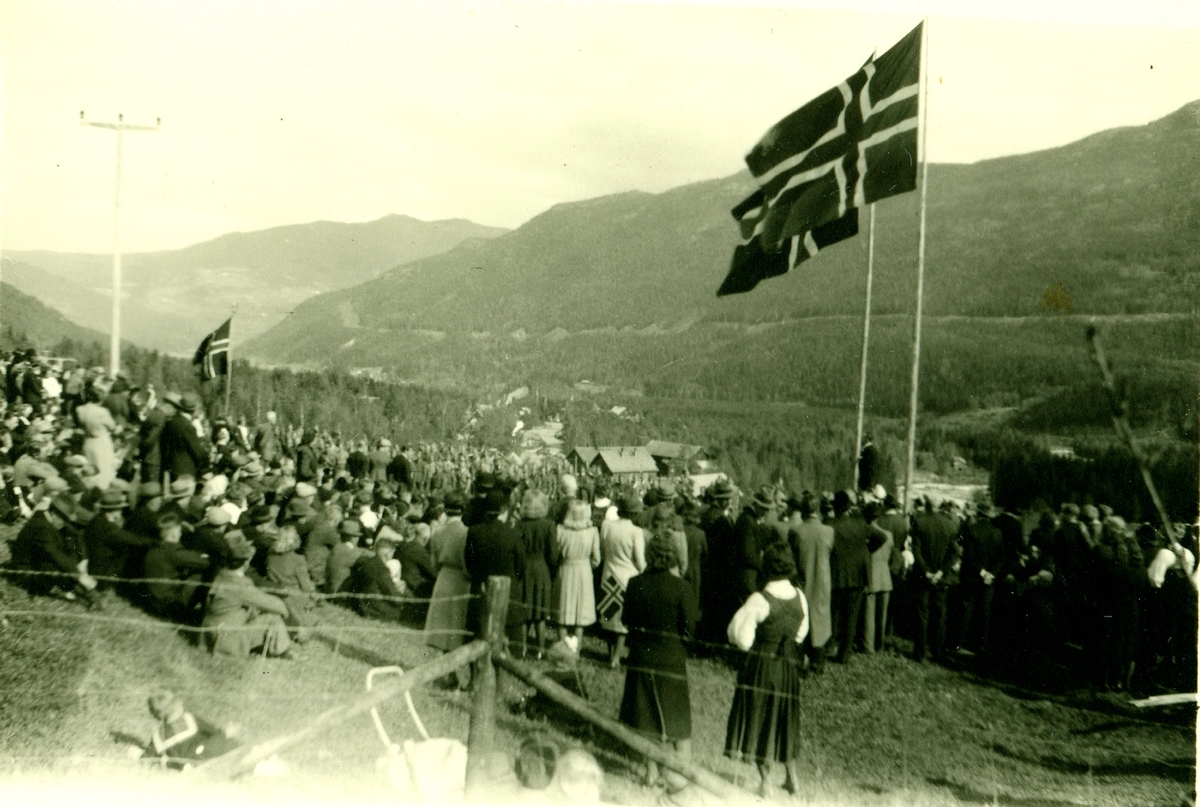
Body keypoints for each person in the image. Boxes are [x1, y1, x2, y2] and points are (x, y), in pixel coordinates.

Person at [724, 543, 809, 797]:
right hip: (788, 667)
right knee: (784, 718)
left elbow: (742, 638)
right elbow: (801, 633)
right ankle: (792, 778)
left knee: (761, 720)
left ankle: (766, 784)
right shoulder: (799, 596)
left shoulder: (759, 599)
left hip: (762, 665)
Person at [619, 531, 699, 788]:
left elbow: (626, 621)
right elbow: (689, 630)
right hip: (671, 659)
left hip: (642, 656)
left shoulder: (634, 583)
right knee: (677, 719)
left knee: (644, 717)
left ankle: (651, 770)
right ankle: (680, 775)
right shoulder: (683, 588)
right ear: (675, 557)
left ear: (649, 555)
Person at [202, 530, 294, 658]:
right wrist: (285, 612)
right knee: (272, 618)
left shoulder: (220, 574)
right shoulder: (241, 584)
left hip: (209, 636)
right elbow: (276, 605)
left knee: (251, 610)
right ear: (246, 562)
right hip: (226, 641)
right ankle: (285, 652)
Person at [828, 490, 886, 663]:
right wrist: (867, 551)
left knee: (834, 614)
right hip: (858, 576)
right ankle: (844, 654)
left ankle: (830, 646)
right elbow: (881, 537)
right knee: (851, 617)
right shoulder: (860, 524)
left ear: (836, 508)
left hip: (836, 574)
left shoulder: (830, 524)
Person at [464, 488, 526, 644]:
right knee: (509, 639)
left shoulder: (474, 532)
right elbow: (521, 567)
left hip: (481, 588)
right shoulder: (513, 534)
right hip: (508, 590)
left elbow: (469, 564)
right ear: (503, 510)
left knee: (478, 638)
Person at [425, 492, 472, 687]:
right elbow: (467, 563)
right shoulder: (466, 532)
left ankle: (446, 673)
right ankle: (450, 674)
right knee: (455, 628)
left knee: (443, 628)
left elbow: (433, 562)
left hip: (443, 577)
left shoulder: (437, 532)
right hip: (460, 579)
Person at [598, 492, 647, 668]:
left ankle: (610, 654)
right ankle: (616, 658)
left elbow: (603, 553)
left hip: (609, 576)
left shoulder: (606, 526)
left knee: (609, 618)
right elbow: (641, 563)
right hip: (627, 579)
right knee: (622, 624)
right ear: (634, 513)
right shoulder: (636, 532)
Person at [911, 496, 960, 664]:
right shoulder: (950, 525)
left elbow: (916, 550)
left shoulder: (919, 522)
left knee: (921, 614)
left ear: (927, 506)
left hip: (923, 575)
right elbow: (954, 553)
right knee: (939, 614)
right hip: (941, 576)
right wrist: (940, 572)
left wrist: (926, 571)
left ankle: (920, 651)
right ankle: (937, 651)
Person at [791, 493, 833, 673]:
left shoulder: (797, 531)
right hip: (822, 579)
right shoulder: (828, 531)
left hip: (802, 578)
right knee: (821, 618)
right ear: (817, 509)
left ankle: (802, 659)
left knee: (802, 617)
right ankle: (819, 661)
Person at [516, 488, 560, 659]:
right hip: (542, 569)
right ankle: (541, 649)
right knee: (540, 613)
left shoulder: (520, 524)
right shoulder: (549, 525)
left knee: (525, 611)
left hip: (526, 568)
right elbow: (553, 554)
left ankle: (523, 647)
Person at [142, 511, 209, 622]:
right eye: (179, 531)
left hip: (151, 599)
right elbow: (205, 562)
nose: (181, 534)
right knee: (199, 576)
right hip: (166, 604)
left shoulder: (155, 546)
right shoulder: (174, 552)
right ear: (173, 534)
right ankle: (188, 615)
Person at [553, 499, 601, 654]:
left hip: (566, 569)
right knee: (580, 613)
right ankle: (577, 650)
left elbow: (556, 553)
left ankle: (563, 648)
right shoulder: (592, 531)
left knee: (563, 610)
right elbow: (597, 559)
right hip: (583, 571)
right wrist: (587, 565)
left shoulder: (560, 530)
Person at [342, 528, 408, 622]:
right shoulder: (382, 569)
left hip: (363, 606)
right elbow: (395, 597)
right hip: (376, 611)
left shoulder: (368, 563)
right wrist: (403, 595)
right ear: (389, 553)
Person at [75, 386, 119, 489]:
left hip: (88, 441)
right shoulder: (102, 412)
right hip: (101, 442)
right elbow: (112, 426)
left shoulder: (80, 409)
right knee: (104, 471)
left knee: (90, 470)